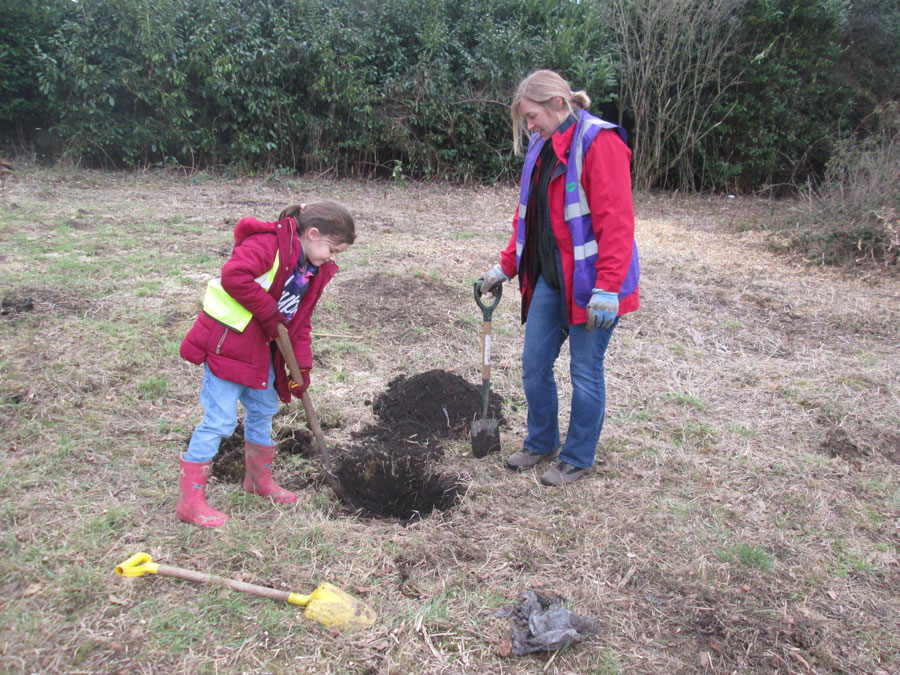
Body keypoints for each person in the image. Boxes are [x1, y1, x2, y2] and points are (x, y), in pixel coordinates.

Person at [477, 69, 639, 487]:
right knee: (534, 365)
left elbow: (617, 225)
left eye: (532, 116)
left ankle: (577, 457)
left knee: (585, 371)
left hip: (592, 285)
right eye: (525, 120)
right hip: (551, 277)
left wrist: (607, 288)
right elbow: (528, 218)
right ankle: (541, 441)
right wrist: (505, 266)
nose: (529, 125)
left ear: (557, 104)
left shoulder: (600, 143)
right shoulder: (541, 145)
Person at [177, 200, 355, 527]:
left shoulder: (311, 271)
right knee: (220, 419)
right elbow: (234, 276)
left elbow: (299, 325)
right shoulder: (267, 244)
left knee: (264, 409)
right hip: (228, 345)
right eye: (332, 249)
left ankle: (258, 480)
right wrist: (270, 314)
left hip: (262, 351)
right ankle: (190, 500)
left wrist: (300, 371)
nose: (332, 258)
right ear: (312, 233)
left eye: (337, 254)